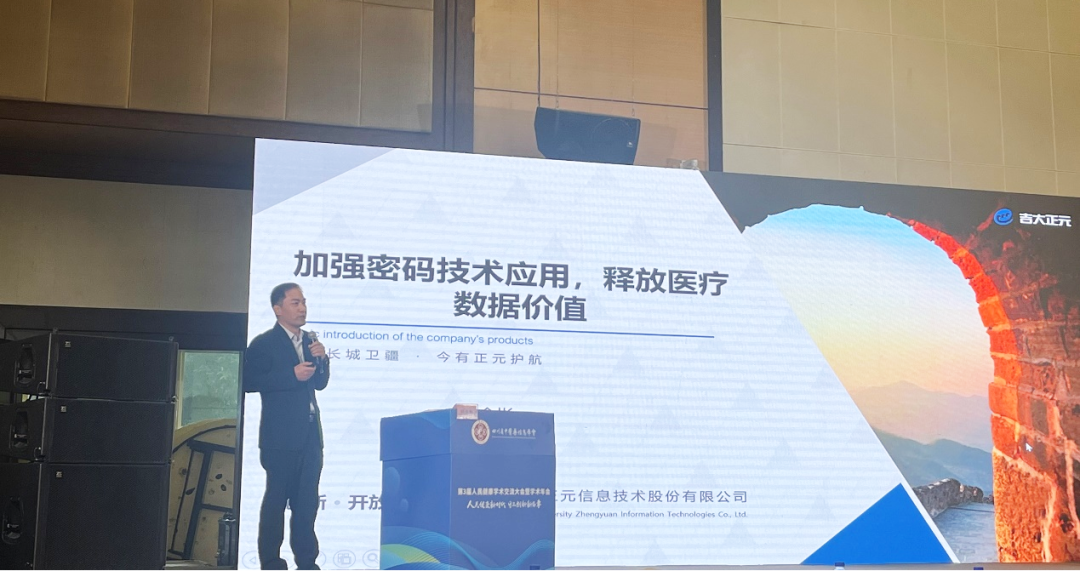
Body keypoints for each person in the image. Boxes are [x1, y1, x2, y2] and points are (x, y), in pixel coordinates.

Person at [244, 283, 330, 571]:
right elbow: (248, 382)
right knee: (276, 502)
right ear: (277, 309)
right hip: (279, 438)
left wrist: (322, 360)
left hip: (310, 436)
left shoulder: (310, 342)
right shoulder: (264, 343)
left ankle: (307, 562)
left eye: (303, 302)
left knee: (307, 504)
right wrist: (291, 375)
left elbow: (319, 383)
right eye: (295, 303)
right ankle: (271, 562)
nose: (302, 308)